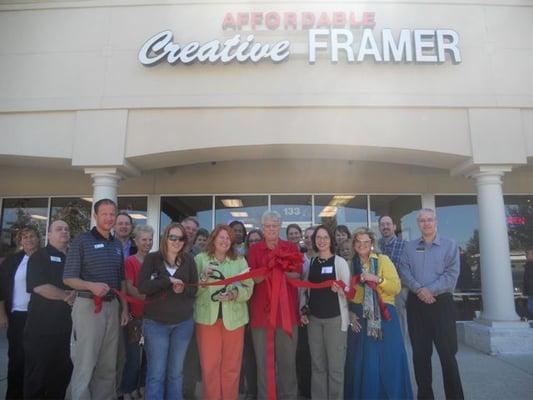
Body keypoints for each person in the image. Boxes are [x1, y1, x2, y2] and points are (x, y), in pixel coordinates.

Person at [63, 198, 130, 400]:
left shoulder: (117, 244)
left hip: (112, 307)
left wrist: (125, 308)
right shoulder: (81, 241)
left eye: (112, 214)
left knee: (108, 364)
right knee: (85, 363)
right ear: (95, 215)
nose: (109, 218)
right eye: (104, 214)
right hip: (88, 307)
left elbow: (121, 280)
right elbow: (68, 278)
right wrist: (90, 285)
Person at [399, 208, 464, 400]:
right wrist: (420, 290)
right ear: (418, 224)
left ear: (436, 222)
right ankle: (425, 396)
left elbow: (452, 274)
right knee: (420, 354)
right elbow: (404, 271)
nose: (426, 223)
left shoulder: (450, 245)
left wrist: (430, 290)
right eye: (422, 220)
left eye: (429, 220)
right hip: (416, 305)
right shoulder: (409, 247)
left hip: (441, 304)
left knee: (448, 355)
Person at [345, 227, 413, 400]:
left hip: (385, 315)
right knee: (365, 363)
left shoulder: (383, 261)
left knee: (390, 360)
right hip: (360, 316)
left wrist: (377, 279)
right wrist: (350, 314)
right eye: (358, 242)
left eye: (366, 242)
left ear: (372, 244)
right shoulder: (349, 265)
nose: (362, 245)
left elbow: (396, 287)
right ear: (354, 245)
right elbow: (347, 296)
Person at [138, 222, 198, 400]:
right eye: (173, 237)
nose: (176, 241)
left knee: (176, 373)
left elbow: (194, 289)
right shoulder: (153, 258)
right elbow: (142, 287)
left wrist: (183, 289)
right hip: (156, 324)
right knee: (157, 372)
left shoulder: (189, 260)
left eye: (181, 238)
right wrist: (167, 281)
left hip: (183, 323)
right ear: (165, 238)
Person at [194, 224, 254, 400]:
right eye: (221, 237)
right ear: (213, 239)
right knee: (209, 366)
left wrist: (235, 293)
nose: (225, 241)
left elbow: (248, 288)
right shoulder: (200, 259)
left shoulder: (240, 260)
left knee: (232, 367)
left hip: (234, 320)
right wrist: (203, 278)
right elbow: (193, 292)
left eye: (228, 238)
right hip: (207, 320)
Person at [248, 211, 303, 400]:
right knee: (263, 364)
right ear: (263, 228)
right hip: (261, 316)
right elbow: (254, 278)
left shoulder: (290, 247)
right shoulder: (254, 250)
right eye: (267, 226)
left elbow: (297, 275)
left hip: (286, 316)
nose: (271, 229)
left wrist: (279, 271)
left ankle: (289, 396)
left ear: (280, 227)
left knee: (288, 362)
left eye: (274, 226)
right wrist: (271, 268)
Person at [24, 220, 75, 399]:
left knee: (61, 375)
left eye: (67, 229)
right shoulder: (39, 256)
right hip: (41, 329)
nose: (64, 232)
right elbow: (39, 286)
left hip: (66, 330)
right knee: (37, 376)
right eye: (59, 229)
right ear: (49, 234)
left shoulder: (73, 257)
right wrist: (67, 296)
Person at [300, 225, 350, 400]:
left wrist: (341, 290)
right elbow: (305, 291)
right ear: (314, 241)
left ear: (331, 240)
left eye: (325, 237)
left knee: (335, 368)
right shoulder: (312, 262)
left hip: (335, 320)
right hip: (314, 321)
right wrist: (302, 310)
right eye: (318, 237)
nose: (321, 240)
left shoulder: (339, 262)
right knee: (318, 366)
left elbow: (349, 291)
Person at [0, 225, 41, 399]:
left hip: (39, 317)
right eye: (25, 237)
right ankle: (14, 395)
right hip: (17, 316)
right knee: (17, 358)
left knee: (37, 359)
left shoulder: (45, 258)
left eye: (32, 236)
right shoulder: (12, 261)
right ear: (20, 241)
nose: (29, 239)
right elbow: (1, 288)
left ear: (38, 238)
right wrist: (2, 314)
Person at [121, 224, 155, 400]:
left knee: (149, 357)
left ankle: (142, 385)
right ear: (136, 240)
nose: (147, 243)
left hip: (153, 317)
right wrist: (146, 297)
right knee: (134, 358)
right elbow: (128, 286)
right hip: (136, 316)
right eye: (144, 239)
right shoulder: (130, 262)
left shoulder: (156, 262)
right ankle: (128, 389)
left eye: (150, 240)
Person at [181, 215, 202, 399]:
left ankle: (187, 393)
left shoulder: (199, 255)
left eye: (193, 230)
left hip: (193, 313)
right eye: (187, 228)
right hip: (170, 314)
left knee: (191, 357)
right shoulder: (167, 252)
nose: (190, 232)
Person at [378, 215, 408, 342]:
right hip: (378, 291)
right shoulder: (376, 245)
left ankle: (400, 353)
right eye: (382, 224)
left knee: (398, 324)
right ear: (379, 227)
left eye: (388, 224)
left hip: (397, 292)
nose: (385, 227)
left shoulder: (405, 246)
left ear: (394, 227)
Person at [296, 226, 315, 399]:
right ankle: (304, 389)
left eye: (312, 236)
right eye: (306, 237)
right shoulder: (299, 259)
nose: (309, 239)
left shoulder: (322, 258)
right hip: (301, 309)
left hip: (319, 312)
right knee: (302, 352)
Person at [523, 245, 533, 319]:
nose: (526, 255)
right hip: (530, 292)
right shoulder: (528, 265)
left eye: (527, 253)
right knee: (530, 307)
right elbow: (526, 279)